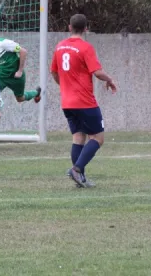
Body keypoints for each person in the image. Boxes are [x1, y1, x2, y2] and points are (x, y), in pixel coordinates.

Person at [50, 14, 117, 188]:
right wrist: (110, 79)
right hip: (84, 101)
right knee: (98, 138)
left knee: (78, 138)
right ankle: (77, 169)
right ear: (86, 28)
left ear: (69, 27)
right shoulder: (86, 48)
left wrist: (64, 86)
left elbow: (54, 72)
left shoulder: (59, 47)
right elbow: (97, 72)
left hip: (67, 102)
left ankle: (81, 179)